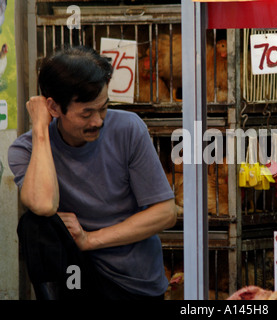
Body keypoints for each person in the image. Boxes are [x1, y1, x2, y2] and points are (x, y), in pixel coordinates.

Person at [8, 46, 177, 299]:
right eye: (86, 113)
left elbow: (166, 213)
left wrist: (90, 239)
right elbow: (43, 204)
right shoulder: (25, 149)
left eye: (103, 108)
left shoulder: (129, 129)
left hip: (133, 281)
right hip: (77, 275)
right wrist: (41, 129)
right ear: (54, 108)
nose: (98, 121)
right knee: (34, 223)